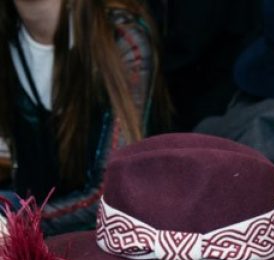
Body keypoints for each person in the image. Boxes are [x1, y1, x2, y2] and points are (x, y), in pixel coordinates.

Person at [0, 0, 166, 235]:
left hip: (109, 241)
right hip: (30, 235)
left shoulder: (120, 38)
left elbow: (110, 196)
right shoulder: (8, 33)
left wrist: (14, 223)